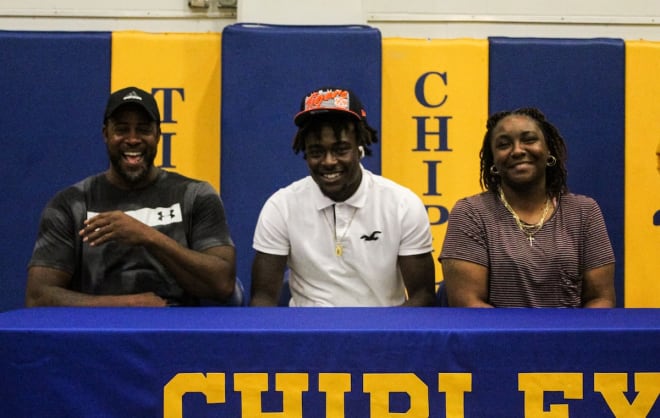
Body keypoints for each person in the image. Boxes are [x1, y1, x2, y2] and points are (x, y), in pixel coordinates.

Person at [26, 86, 236, 307]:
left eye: (143, 129)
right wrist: (128, 304)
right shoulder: (71, 204)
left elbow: (222, 284)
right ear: (105, 134)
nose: (133, 139)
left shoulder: (195, 195)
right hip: (95, 333)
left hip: (174, 329)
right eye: (122, 129)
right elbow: (38, 296)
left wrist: (149, 237)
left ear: (158, 135)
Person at [250, 87, 435, 307]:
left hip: (383, 333)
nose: (328, 161)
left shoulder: (403, 205)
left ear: (360, 148)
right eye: (317, 152)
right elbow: (263, 299)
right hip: (307, 335)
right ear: (305, 152)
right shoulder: (281, 206)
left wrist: (387, 336)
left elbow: (423, 296)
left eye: (341, 149)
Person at [439, 107, 615, 308]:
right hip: (496, 338)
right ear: (493, 161)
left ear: (549, 151)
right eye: (504, 145)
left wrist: (568, 338)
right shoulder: (471, 213)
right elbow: (468, 304)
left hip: (569, 337)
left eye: (529, 140)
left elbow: (601, 299)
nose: (517, 150)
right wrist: (521, 338)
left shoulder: (584, 212)